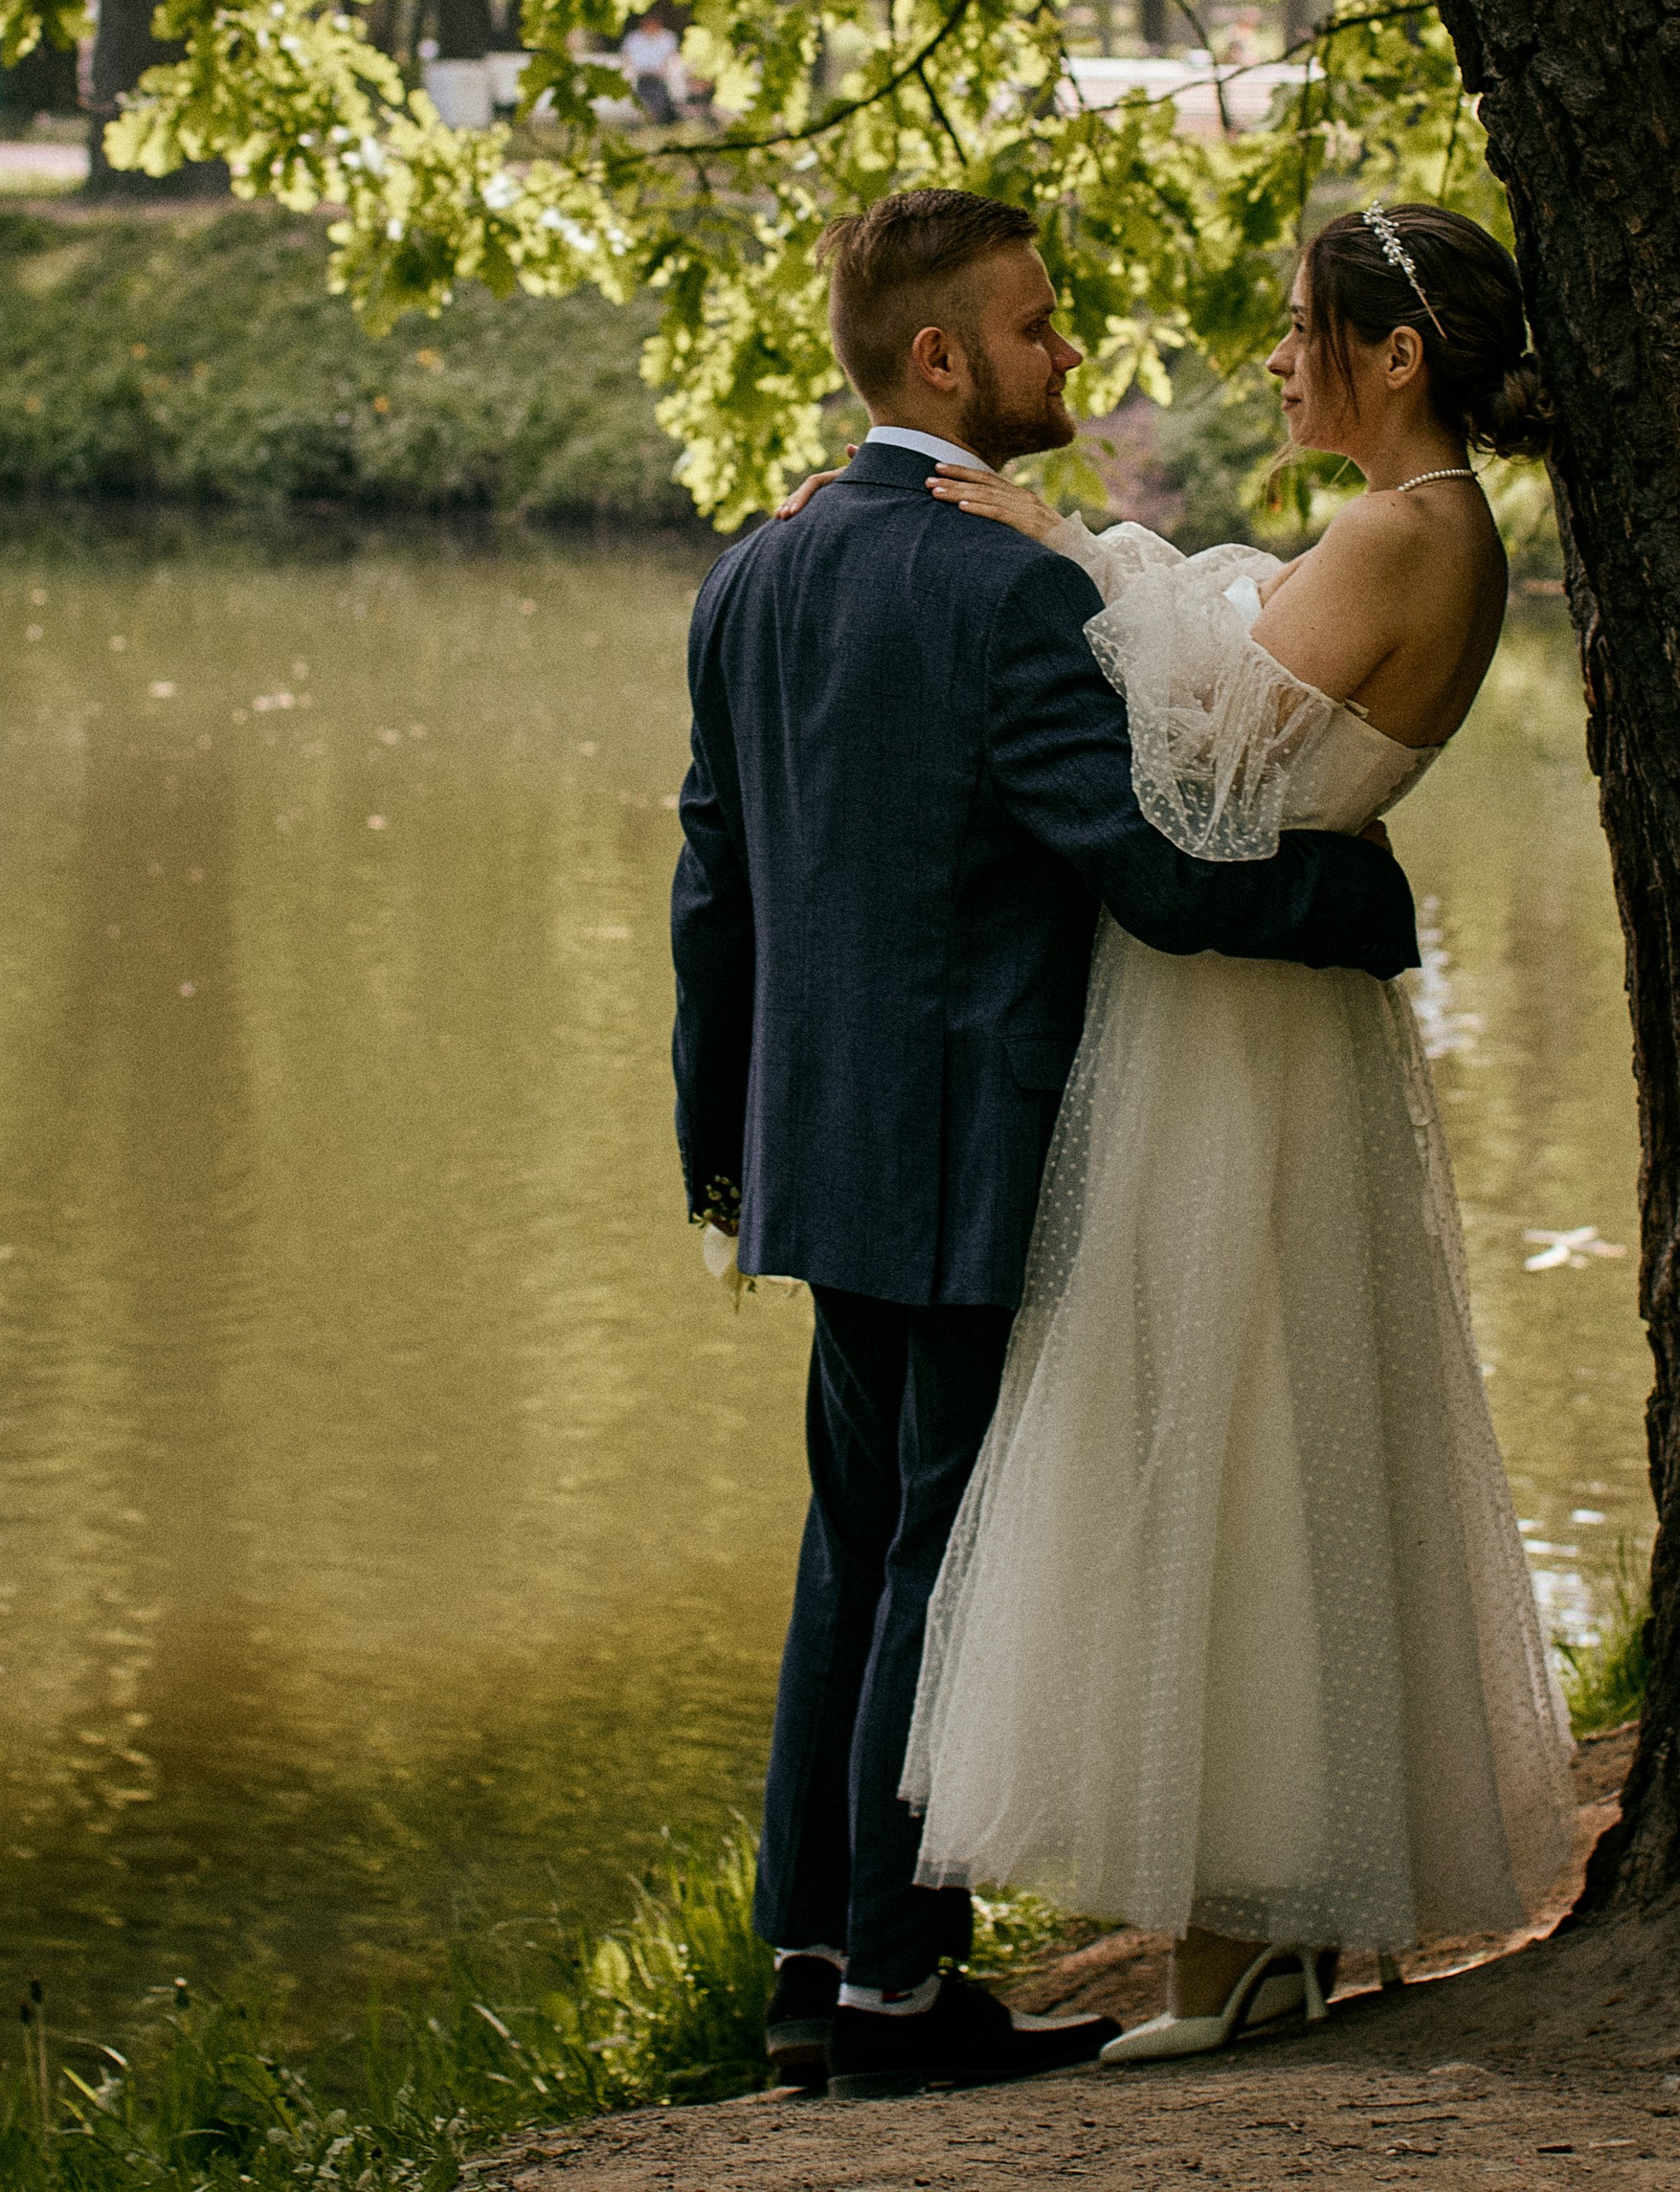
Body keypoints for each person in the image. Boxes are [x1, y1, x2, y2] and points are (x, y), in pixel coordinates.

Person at [669, 190, 1421, 2102]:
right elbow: (1158, 871)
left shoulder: (749, 576)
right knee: (933, 1544)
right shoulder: (1005, 592)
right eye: (1032, 325)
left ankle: (812, 1969)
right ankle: (901, 2001)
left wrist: (717, 1156)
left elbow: (711, 893)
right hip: (974, 1147)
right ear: (939, 360)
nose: (1068, 353)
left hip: (814, 1152)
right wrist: (1361, 910)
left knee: (853, 1546)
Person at [899, 201, 1580, 2058]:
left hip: (1236, 1048)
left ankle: (1239, 1922)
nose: (1274, 360)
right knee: (1257, 1439)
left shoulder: (1398, 530)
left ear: (1394, 357)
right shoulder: (1426, 534)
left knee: (1213, 1435)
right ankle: (1249, 1921)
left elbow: (1195, 754)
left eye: (1299, 330)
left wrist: (1069, 548)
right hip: (1269, 1030)